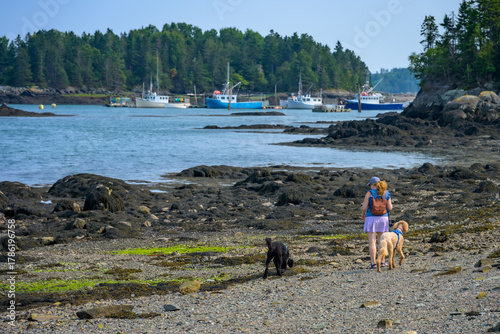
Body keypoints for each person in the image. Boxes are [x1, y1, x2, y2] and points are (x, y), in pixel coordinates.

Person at [361, 176, 393, 269]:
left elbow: (364, 207)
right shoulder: (386, 193)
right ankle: (382, 262)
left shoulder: (369, 193)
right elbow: (390, 208)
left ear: (372, 185)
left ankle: (373, 263)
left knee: (372, 242)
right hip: (383, 219)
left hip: (371, 218)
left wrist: (363, 213)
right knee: (381, 241)